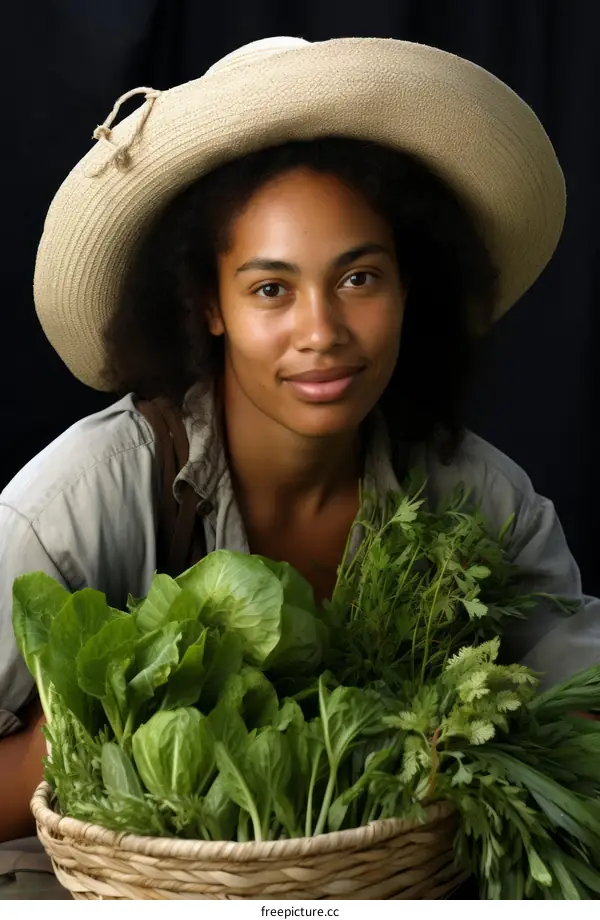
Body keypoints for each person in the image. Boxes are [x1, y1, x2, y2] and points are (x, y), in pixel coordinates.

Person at [0, 35, 598, 888]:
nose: (322, 332)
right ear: (208, 304)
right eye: (271, 289)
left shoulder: (480, 497)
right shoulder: (76, 503)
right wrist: (88, 743)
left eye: (359, 278)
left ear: (409, 287)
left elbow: (583, 703)